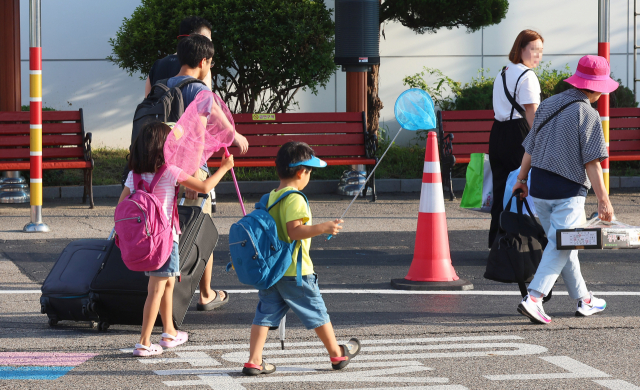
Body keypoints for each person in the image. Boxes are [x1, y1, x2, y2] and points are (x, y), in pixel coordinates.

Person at [513, 55, 617, 324]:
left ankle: (585, 299)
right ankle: (534, 298)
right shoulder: (588, 113)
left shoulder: (548, 104)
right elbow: (591, 163)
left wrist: (521, 179)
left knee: (563, 245)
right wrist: (604, 200)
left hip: (539, 187)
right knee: (561, 246)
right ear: (596, 88)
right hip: (568, 191)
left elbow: (530, 147)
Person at [243, 141, 360, 376]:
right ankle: (337, 354)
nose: (309, 176)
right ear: (300, 172)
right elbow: (294, 231)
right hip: (296, 271)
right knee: (318, 312)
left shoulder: (269, 198)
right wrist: (323, 227)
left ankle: (254, 361)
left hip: (271, 271)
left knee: (264, 315)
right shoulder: (295, 199)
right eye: (310, 171)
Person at [120, 121, 234, 356]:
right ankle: (143, 341)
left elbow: (122, 205)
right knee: (157, 288)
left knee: (169, 281)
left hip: (147, 239)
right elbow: (204, 185)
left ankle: (170, 331)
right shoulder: (170, 171)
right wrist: (224, 168)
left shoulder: (134, 175)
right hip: (164, 239)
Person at [165, 33, 244, 311]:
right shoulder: (200, 91)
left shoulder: (162, 87)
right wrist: (236, 137)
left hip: (163, 172)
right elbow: (208, 130)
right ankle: (206, 293)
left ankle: (163, 288)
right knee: (203, 230)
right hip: (191, 172)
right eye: (210, 63)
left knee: (169, 230)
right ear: (203, 61)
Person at [488, 30, 544, 248]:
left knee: (501, 188)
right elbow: (532, 112)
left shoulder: (503, 72)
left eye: (540, 51)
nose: (537, 55)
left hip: (497, 133)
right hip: (518, 134)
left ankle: (497, 241)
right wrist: (540, 139)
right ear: (520, 49)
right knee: (521, 187)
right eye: (533, 49)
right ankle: (518, 245)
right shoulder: (527, 76)